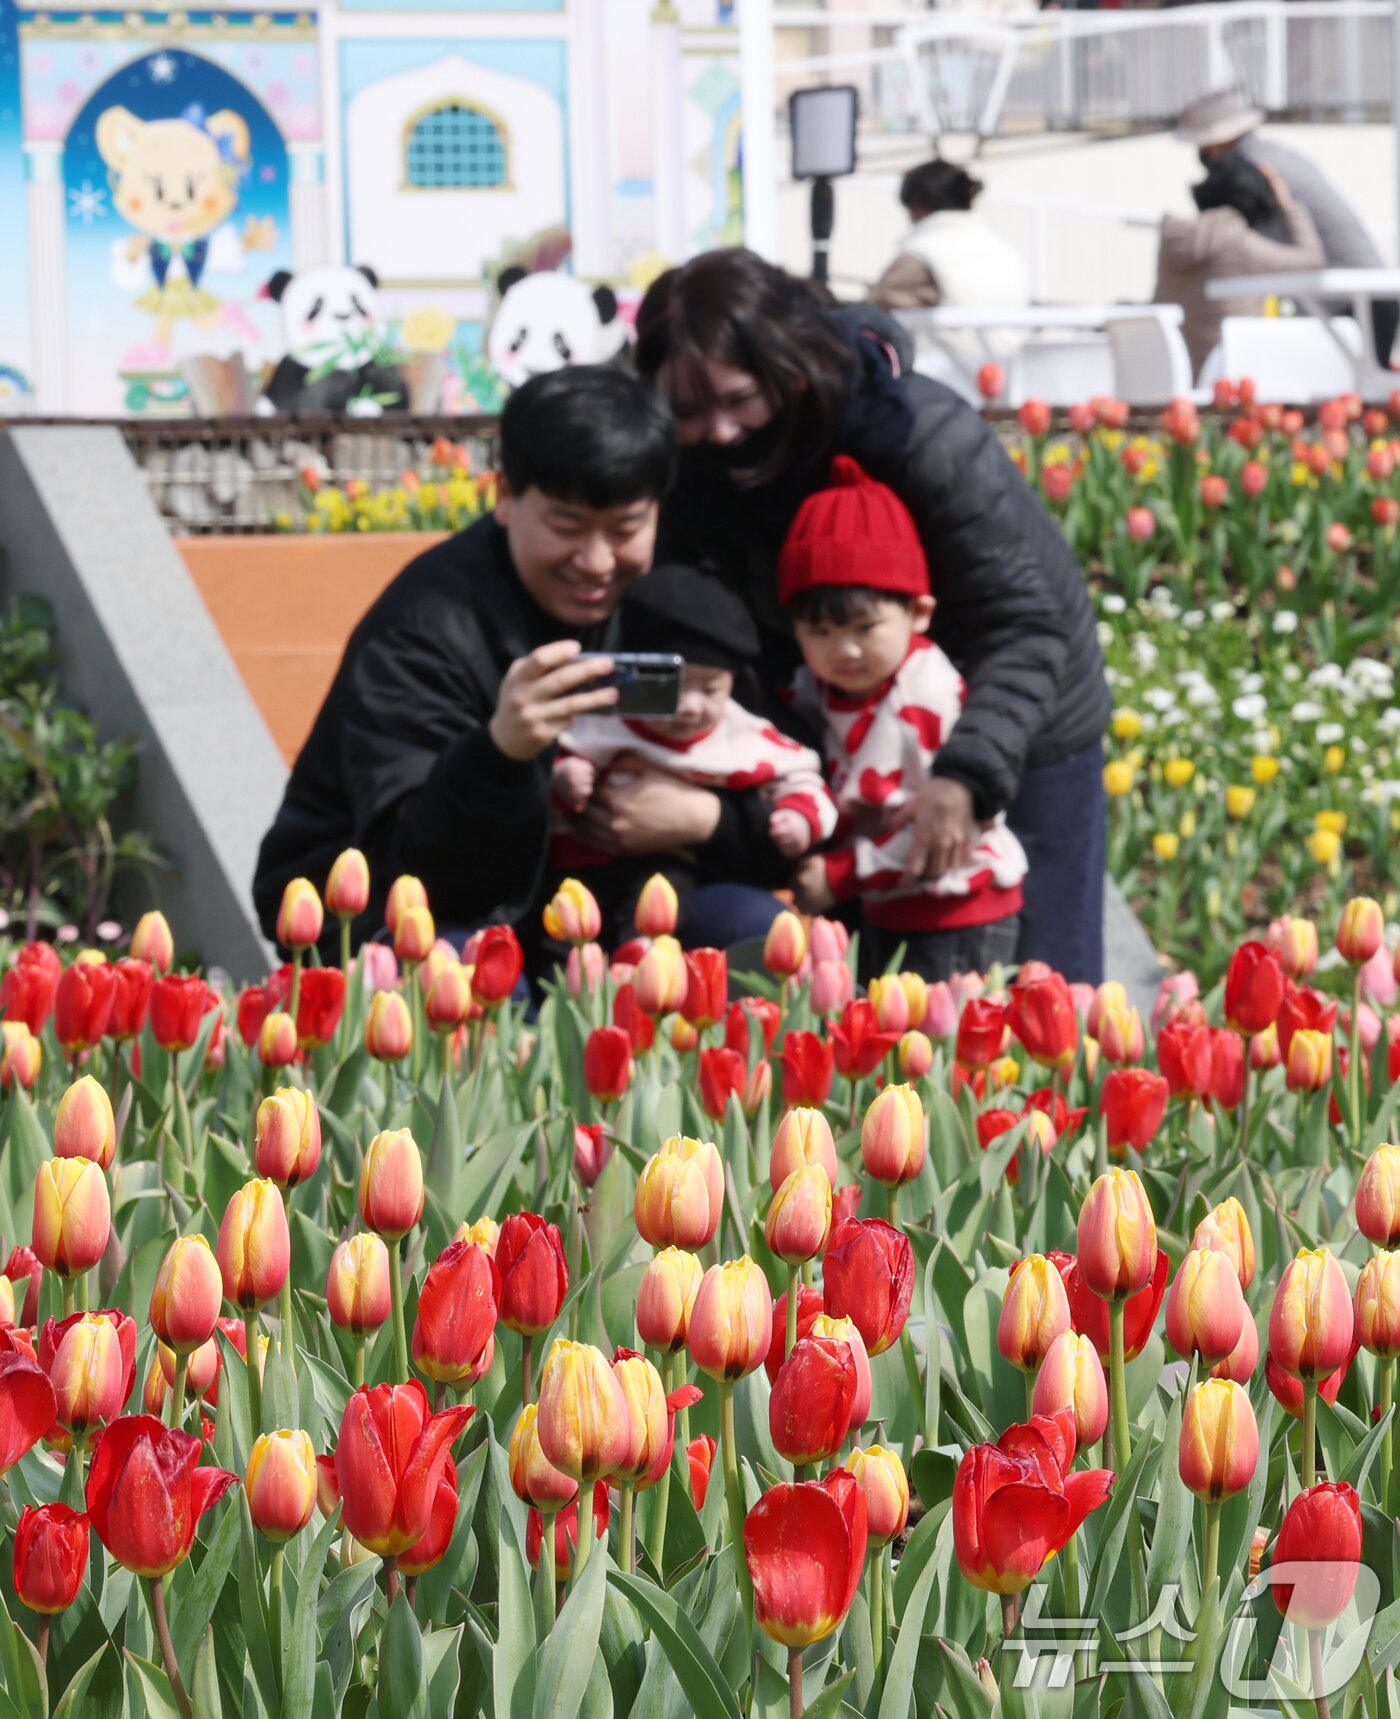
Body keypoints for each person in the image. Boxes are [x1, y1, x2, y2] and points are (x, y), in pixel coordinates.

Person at [634, 249, 1112, 983]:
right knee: (881, 989)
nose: (720, 432)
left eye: (737, 399)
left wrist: (966, 777)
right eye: (689, 412)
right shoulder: (695, 469)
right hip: (847, 720)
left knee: (1040, 991)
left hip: (1015, 716)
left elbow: (1023, 622)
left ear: (788, 368)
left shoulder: (917, 433)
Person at [251, 366, 783, 960]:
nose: (598, 561)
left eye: (626, 528)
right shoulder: (425, 628)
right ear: (505, 496)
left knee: (756, 935)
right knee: (469, 978)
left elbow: (778, 774)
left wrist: (705, 819)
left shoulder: (677, 601)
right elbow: (415, 872)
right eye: (569, 525)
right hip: (411, 908)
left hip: (612, 889)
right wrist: (501, 754)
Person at [779, 457, 1027, 980]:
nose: (843, 650)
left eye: (865, 627)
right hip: (888, 902)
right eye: (819, 632)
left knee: (944, 1050)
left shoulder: (927, 693)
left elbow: (945, 824)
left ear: (918, 612)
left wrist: (842, 873)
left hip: (955, 903)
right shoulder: (822, 687)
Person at [552, 563, 836, 946]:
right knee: (563, 934)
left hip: (669, 862)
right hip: (581, 861)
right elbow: (560, 750)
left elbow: (801, 774)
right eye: (673, 688)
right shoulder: (607, 717)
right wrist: (567, 773)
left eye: (710, 689)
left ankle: (642, 969)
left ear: (733, 684)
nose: (689, 706)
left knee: (655, 907)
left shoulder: (739, 736)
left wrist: (799, 817)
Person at [1175, 87, 1397, 365]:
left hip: (1357, 303)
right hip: (1358, 298)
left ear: (1218, 142)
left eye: (1203, 145)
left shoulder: (1252, 171)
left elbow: (1248, 248)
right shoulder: (1270, 156)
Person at [1154, 153, 1324, 378]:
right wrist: (1287, 204)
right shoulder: (1241, 245)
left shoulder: (1173, 239)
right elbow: (1311, 259)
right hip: (1230, 380)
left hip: (1168, 378)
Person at [870, 159, 1030, 316]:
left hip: (946, 342)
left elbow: (874, 304)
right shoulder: (1004, 250)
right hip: (1010, 342)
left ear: (917, 207)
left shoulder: (921, 255)